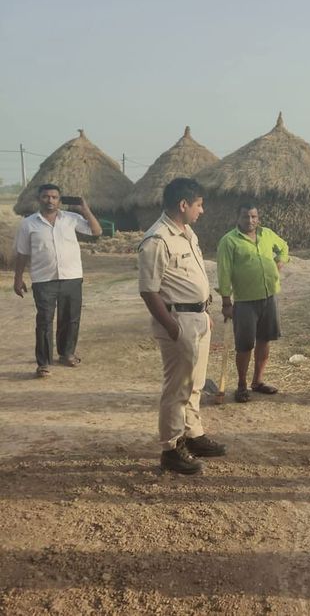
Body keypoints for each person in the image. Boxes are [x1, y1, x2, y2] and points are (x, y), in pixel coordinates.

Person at [138, 178, 227, 475]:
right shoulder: (157, 239)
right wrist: (171, 326)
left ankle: (194, 434)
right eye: (199, 204)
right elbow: (149, 290)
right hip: (178, 321)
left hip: (198, 318)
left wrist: (204, 310)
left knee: (196, 383)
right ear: (183, 205)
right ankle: (171, 448)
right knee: (177, 387)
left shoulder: (187, 233)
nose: (202, 210)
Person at [13, 184, 102, 377]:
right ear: (39, 199)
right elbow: (22, 253)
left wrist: (85, 209)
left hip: (71, 276)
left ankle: (66, 353)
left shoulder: (71, 219)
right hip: (43, 279)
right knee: (44, 320)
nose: (50, 200)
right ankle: (43, 363)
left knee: (70, 318)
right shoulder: (28, 223)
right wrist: (18, 279)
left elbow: (96, 231)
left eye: (54, 197)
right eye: (46, 197)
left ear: (59, 200)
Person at [216, 203, 290, 403]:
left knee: (265, 339)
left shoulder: (267, 234)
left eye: (253, 216)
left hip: (269, 296)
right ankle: (241, 385)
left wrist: (280, 261)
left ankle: (257, 381)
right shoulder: (229, 241)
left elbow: (284, 247)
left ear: (258, 218)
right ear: (237, 218)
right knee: (244, 345)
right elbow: (224, 272)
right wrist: (225, 302)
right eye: (245, 217)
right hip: (245, 300)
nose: (250, 221)